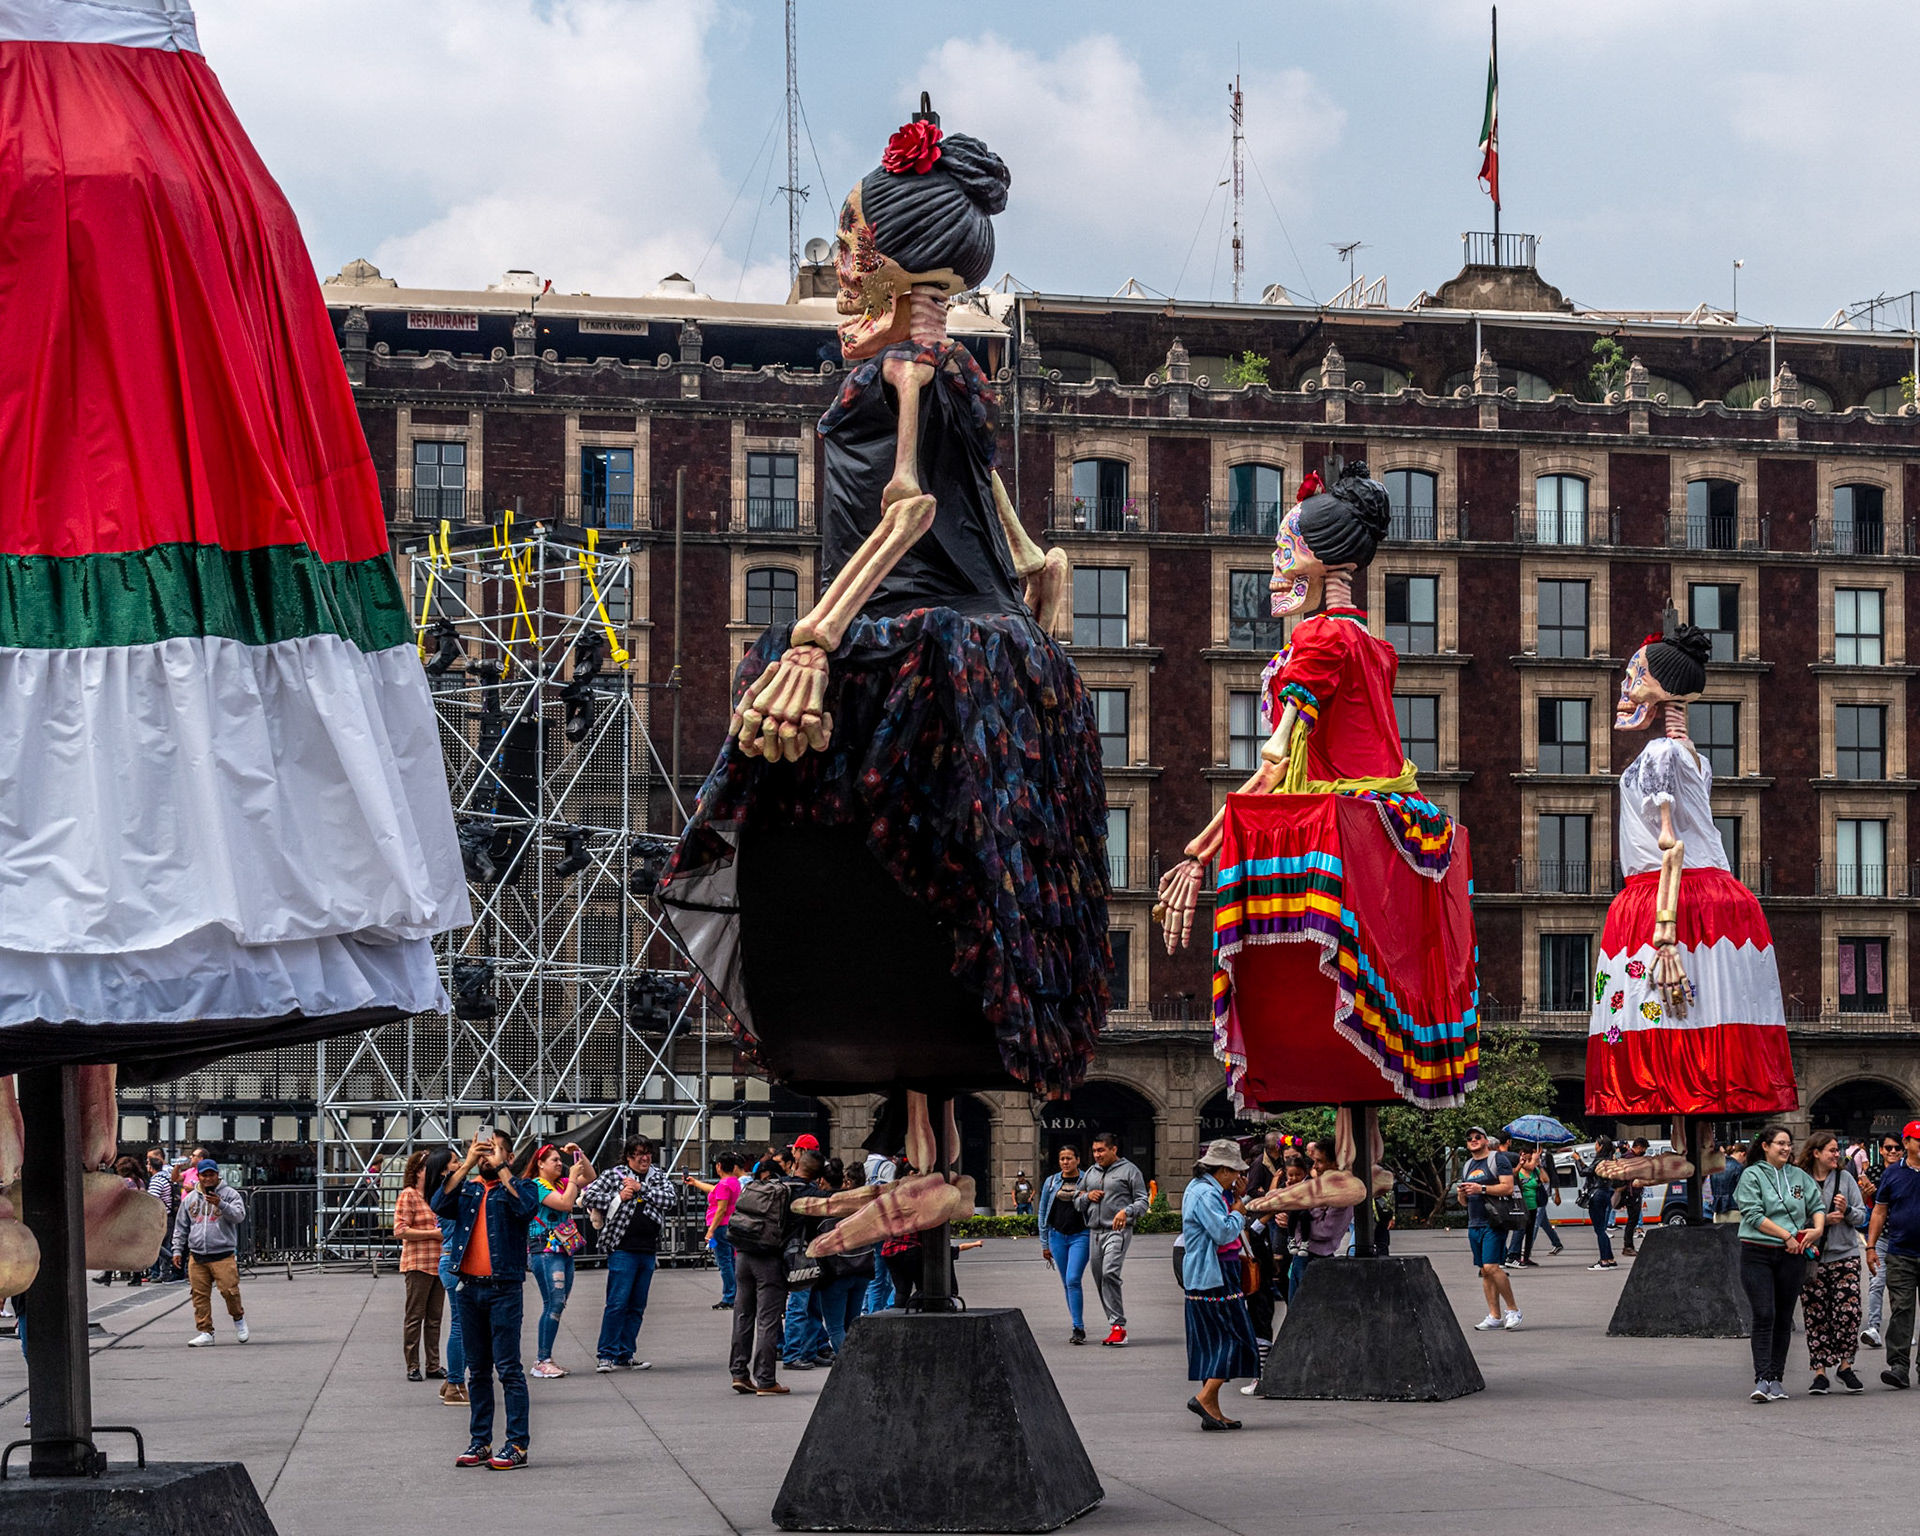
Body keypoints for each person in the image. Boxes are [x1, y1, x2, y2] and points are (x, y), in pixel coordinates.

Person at [430, 1129, 542, 1470]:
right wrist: (466, 1165)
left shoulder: (520, 1186)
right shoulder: (467, 1186)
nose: (487, 1157)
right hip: (468, 1286)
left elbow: (526, 1208)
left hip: (503, 1288)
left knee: (508, 1369)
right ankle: (481, 1440)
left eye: (494, 1151)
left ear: (508, 1156)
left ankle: (517, 1444)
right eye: (482, 1150)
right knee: (477, 1370)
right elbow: (439, 1203)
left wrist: (501, 1169)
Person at [1734, 1124, 1826, 1403]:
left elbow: (1817, 1206)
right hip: (1757, 1252)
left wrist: (1817, 1230)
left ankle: (1777, 1378)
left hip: (1793, 1255)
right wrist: (1786, 1235)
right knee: (1764, 1313)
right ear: (1765, 1146)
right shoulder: (1751, 1175)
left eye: (1789, 1144)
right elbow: (1751, 1213)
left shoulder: (1798, 1176)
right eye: (1780, 1144)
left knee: (1784, 1317)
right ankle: (1762, 1378)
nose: (1786, 1148)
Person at [1182, 1139, 1259, 1430]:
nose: (1239, 1177)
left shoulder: (1213, 1191)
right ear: (1223, 1169)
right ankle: (1204, 1397)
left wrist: (1238, 1199)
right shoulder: (1205, 1194)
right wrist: (1239, 1209)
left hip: (1212, 1272)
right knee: (1235, 1338)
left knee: (1212, 1341)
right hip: (1213, 1275)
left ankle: (1212, 1410)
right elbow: (1224, 1232)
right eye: (1236, 1172)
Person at [581, 1135, 675, 1373]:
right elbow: (588, 1197)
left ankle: (625, 1353)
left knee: (637, 1305)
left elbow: (670, 1199)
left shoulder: (657, 1175)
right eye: (640, 1153)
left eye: (648, 1153)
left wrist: (642, 1189)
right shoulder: (615, 1175)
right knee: (617, 1302)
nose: (645, 1158)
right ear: (629, 1155)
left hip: (647, 1249)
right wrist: (618, 1197)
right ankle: (606, 1354)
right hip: (621, 1248)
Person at [1798, 1131, 1868, 1395]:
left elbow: (1862, 1216)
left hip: (1845, 1255)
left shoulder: (1845, 1178)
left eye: (1837, 1150)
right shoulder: (1800, 1180)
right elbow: (1792, 1218)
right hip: (1813, 1257)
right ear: (1816, 1153)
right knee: (1816, 1315)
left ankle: (1846, 1366)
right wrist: (1821, 1221)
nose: (1836, 1154)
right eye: (1831, 1150)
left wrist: (1847, 1210)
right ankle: (1820, 1372)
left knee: (1848, 1313)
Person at [727, 1159, 798, 1395]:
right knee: (767, 1320)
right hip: (768, 1260)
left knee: (743, 1315)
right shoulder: (785, 1192)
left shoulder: (751, 1188)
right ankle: (766, 1380)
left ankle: (739, 1373)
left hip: (743, 1257)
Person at [524, 1142, 594, 1379]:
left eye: (559, 1159)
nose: (558, 1163)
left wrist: (579, 1154)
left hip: (563, 1249)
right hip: (544, 1250)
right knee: (553, 1302)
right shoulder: (537, 1185)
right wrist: (573, 1178)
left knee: (559, 1303)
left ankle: (546, 1357)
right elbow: (565, 1203)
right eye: (553, 1160)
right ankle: (542, 1360)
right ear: (540, 1164)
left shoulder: (562, 1184)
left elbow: (591, 1175)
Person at [1079, 1130, 1148, 1347]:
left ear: (1113, 1149)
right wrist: (1086, 1196)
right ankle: (1114, 1325)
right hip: (1095, 1233)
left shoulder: (1130, 1171)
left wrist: (1126, 1212)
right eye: (1094, 1151)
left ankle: (1118, 1326)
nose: (1097, 1155)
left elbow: (1143, 1202)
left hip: (1118, 1231)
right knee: (1100, 1277)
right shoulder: (1090, 1172)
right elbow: (1076, 1200)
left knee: (1110, 1272)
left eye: (1101, 1150)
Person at [1865, 1119, 1920, 1389]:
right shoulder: (1892, 1174)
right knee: (1901, 1309)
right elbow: (1879, 1210)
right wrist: (1871, 1246)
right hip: (1900, 1252)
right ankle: (1899, 1366)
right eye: (1918, 1141)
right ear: (1907, 1143)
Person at [171, 1159, 248, 1346]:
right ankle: (205, 1331)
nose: (207, 1178)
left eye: (211, 1174)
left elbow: (239, 1216)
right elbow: (181, 1226)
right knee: (199, 1295)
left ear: (217, 1175)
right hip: (197, 1254)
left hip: (222, 1252)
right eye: (204, 1175)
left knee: (229, 1291)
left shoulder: (230, 1194)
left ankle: (238, 1319)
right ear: (198, 1176)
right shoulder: (190, 1198)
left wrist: (221, 1204)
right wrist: (177, 1250)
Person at [1456, 1126, 1520, 1330]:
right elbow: (1465, 1202)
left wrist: (1481, 1188)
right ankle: (1494, 1315)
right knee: (1484, 1270)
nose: (1473, 1140)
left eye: (1477, 1137)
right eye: (1469, 1138)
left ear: (1486, 1140)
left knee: (1492, 1266)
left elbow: (1508, 1187)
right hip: (1474, 1222)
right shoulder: (1467, 1165)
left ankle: (1513, 1310)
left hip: (1494, 1221)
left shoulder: (1497, 1159)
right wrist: (1462, 1195)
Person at [422, 1146, 469, 1408]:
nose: (461, 1163)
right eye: (455, 1161)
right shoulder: (446, 1193)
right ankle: (455, 1383)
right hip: (453, 1262)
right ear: (443, 1170)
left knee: (461, 1325)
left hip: (451, 1260)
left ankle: (452, 1380)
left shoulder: (447, 1192)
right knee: (461, 1327)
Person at [394, 1149, 446, 1382]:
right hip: (417, 1263)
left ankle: (433, 1364)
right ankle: (412, 1365)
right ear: (417, 1171)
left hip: (438, 1262)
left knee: (435, 1318)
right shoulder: (409, 1195)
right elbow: (400, 1230)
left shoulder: (434, 1195)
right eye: (428, 1167)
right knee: (415, 1316)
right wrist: (433, 1234)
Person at [814, 1160, 873, 1356]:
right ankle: (858, 1361)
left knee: (835, 1328)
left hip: (836, 1273)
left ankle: (852, 1368)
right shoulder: (862, 1205)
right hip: (862, 1268)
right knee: (852, 1322)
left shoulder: (827, 1207)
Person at [781, 1150, 832, 1370]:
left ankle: (808, 1351)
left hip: (782, 1250)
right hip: (804, 1254)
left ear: (798, 1163)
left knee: (809, 1304)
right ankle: (793, 1354)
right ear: (818, 1175)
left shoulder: (781, 1187)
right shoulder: (815, 1195)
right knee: (801, 1305)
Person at [1037, 1143, 1091, 1344]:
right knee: (1067, 1282)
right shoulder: (1051, 1182)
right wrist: (1045, 1244)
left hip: (1081, 1235)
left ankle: (1079, 1328)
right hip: (1057, 1236)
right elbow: (1043, 1212)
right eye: (1062, 1159)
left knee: (1073, 1279)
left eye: (1069, 1158)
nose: (1065, 1162)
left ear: (1077, 1159)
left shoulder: (1088, 1180)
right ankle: (1076, 1324)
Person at [687, 1152, 743, 1311]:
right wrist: (696, 1183)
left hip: (719, 1227)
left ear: (718, 1166)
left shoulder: (724, 1185)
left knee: (723, 1261)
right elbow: (715, 1190)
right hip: (730, 1226)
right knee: (731, 1261)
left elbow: (721, 1209)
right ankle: (736, 1294)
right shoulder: (733, 1183)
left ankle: (729, 1296)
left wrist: (710, 1232)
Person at [1862, 1133, 1900, 1347]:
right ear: (1882, 1150)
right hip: (1881, 1236)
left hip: (1904, 1237)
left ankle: (1900, 1329)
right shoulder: (1874, 1171)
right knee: (1877, 1282)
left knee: (1900, 1287)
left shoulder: (1908, 1171)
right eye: (1888, 1148)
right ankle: (1874, 1327)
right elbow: (1867, 1204)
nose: (1892, 1151)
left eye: (1896, 1148)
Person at [1578, 1138, 1620, 1268]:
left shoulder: (1600, 1160)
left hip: (1597, 1194)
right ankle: (1610, 1258)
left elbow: (1583, 1172)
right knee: (1602, 1228)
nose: (1595, 1147)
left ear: (1601, 1146)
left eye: (1596, 1145)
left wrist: (1577, 1160)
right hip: (1607, 1193)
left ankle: (1604, 1260)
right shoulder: (1610, 1160)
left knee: (1599, 1229)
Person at [145, 1149, 177, 1283]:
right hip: (167, 1215)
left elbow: (152, 1200)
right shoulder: (166, 1176)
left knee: (154, 1243)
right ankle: (165, 1273)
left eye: (147, 1164)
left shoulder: (156, 1180)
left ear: (151, 1167)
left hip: (159, 1217)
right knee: (165, 1243)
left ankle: (169, 1260)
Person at [1621, 1137, 1652, 1254]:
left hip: (1632, 1192)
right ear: (1639, 1147)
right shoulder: (1631, 1158)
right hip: (1632, 1193)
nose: (1643, 1151)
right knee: (1632, 1220)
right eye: (1643, 1149)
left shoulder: (1628, 1156)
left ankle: (1628, 1246)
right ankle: (1628, 1246)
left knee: (1632, 1220)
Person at [1711, 1142, 1747, 1221]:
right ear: (1742, 1154)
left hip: (1717, 1208)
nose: (1744, 1161)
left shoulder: (1717, 1165)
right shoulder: (1738, 1167)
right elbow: (1742, 1190)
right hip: (1734, 1208)